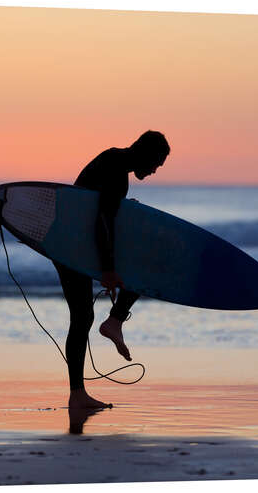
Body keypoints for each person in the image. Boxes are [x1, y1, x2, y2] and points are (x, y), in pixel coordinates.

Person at [52, 130, 170, 409]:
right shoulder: (116, 170)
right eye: (156, 164)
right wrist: (107, 269)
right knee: (82, 316)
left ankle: (113, 324)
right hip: (72, 247)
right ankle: (78, 393)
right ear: (146, 154)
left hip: (75, 243)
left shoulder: (115, 163)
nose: (154, 171)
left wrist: (124, 211)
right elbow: (101, 221)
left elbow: (102, 209)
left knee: (84, 315)